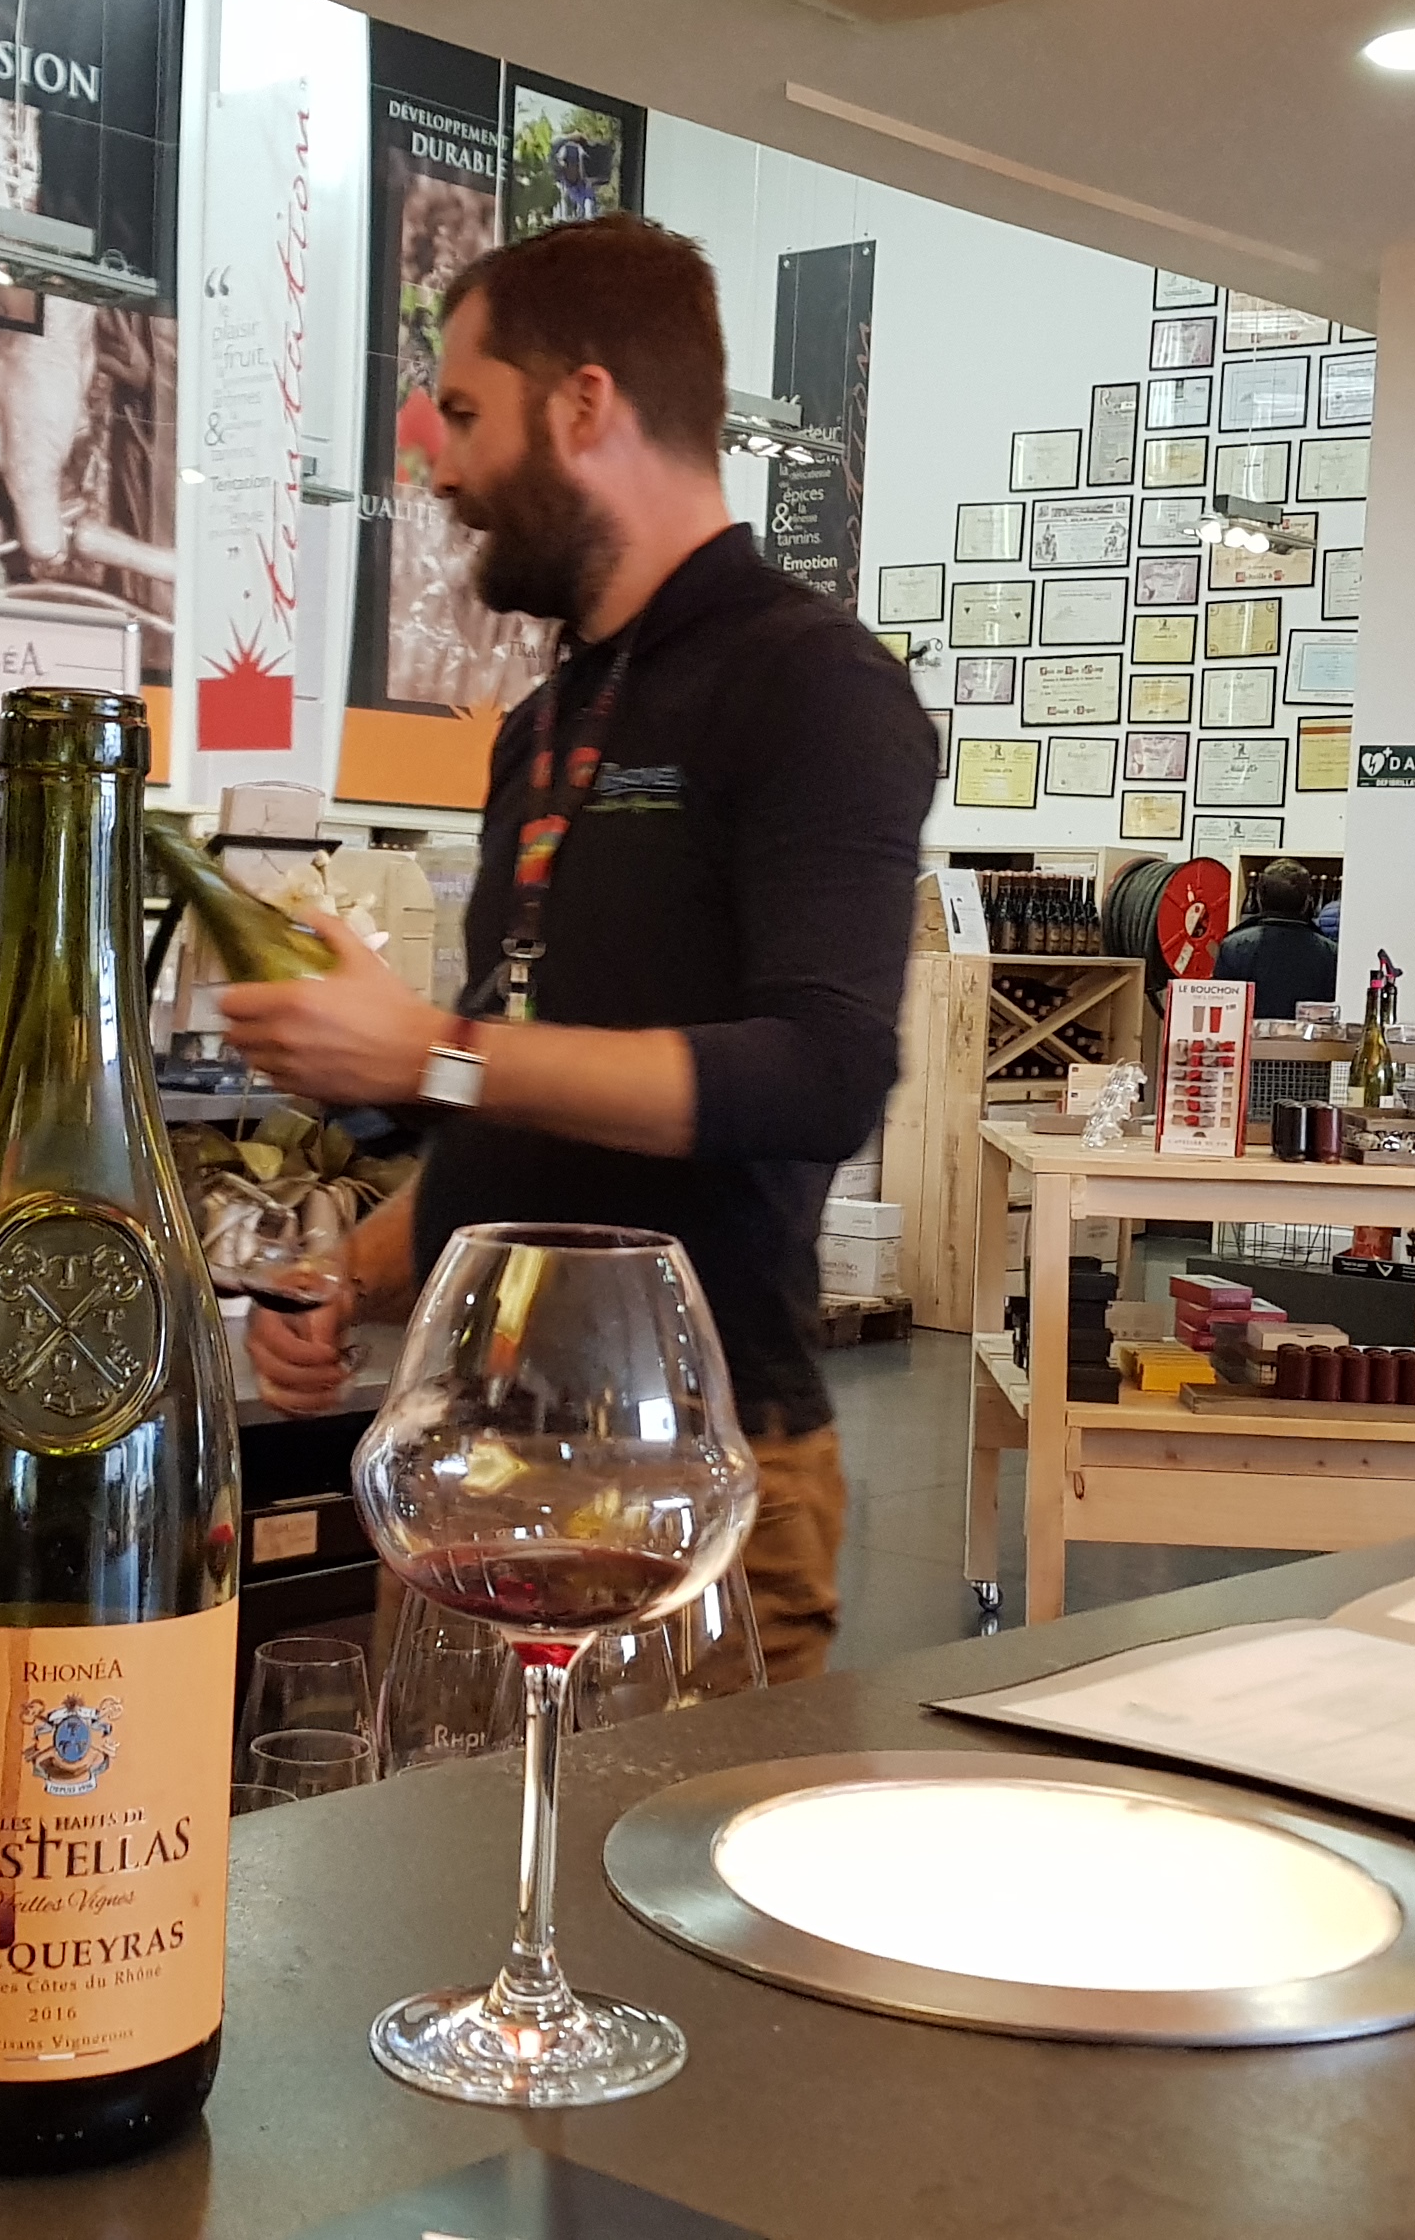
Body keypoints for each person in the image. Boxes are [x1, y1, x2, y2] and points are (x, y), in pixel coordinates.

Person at [216, 217, 932, 1683]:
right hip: (468, 1460)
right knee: (448, 1837)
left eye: (465, 413)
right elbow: (521, 1114)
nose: (440, 469)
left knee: (660, 1847)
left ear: (585, 404)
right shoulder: (545, 727)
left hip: (691, 1475)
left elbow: (821, 1075)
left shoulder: (815, 686)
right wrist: (356, 1274)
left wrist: (427, 1051)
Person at [1212, 859, 1338, 1020]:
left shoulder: (1233, 947)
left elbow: (1223, 1013)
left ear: (1259, 898)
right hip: (1306, 1036)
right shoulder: (1330, 952)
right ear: (1308, 901)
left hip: (1250, 1036)